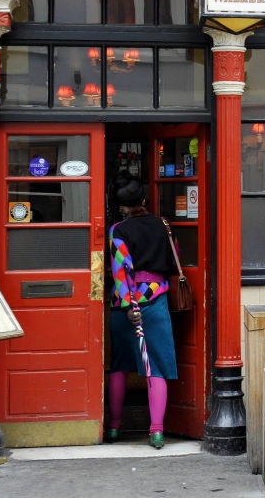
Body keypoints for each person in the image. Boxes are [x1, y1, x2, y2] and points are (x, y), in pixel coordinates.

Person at [106, 173, 178, 449]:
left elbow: (120, 270)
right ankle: (157, 432)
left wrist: (127, 306)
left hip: (126, 305)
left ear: (122, 205)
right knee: (155, 367)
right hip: (156, 299)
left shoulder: (118, 231)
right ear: (144, 199)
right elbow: (174, 257)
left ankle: (113, 427)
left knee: (120, 365)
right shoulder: (163, 225)